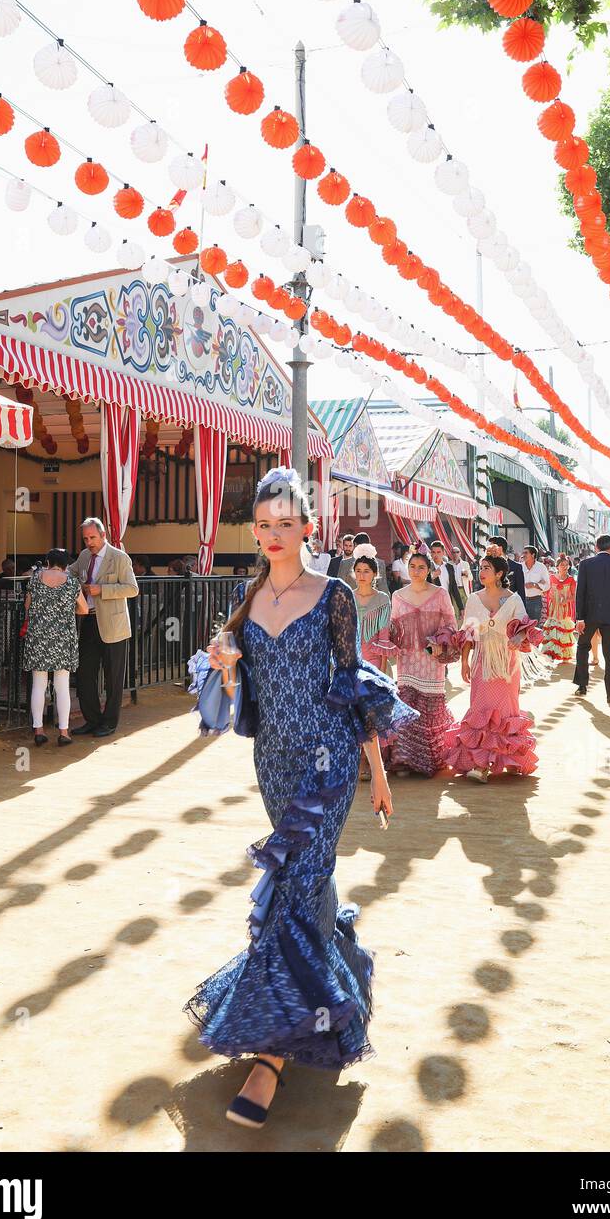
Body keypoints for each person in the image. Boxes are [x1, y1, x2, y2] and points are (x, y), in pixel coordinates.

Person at [185, 467, 415, 1127]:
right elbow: (235, 701)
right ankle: (342, 970)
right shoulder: (246, 596)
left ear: (309, 526)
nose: (275, 535)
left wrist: (377, 769)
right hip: (274, 764)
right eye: (264, 524)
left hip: (330, 761)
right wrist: (226, 669)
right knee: (306, 884)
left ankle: (272, 1055)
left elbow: (353, 685)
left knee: (296, 882)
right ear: (254, 530)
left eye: (288, 523)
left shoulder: (336, 595)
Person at [444, 554, 540, 781]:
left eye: (486, 568)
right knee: (481, 710)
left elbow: (524, 626)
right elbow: (468, 634)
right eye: (480, 568)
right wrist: (464, 662)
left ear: (499, 574)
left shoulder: (513, 599)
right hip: (482, 662)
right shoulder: (473, 599)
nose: (481, 572)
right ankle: (481, 765)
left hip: (507, 665)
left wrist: (518, 636)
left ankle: (509, 758)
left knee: (506, 711)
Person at [383, 550, 459, 777]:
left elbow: (451, 623)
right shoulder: (397, 596)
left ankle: (429, 761)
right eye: (412, 566)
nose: (416, 571)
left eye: (421, 567)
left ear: (429, 571)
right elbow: (393, 627)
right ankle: (404, 760)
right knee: (406, 705)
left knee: (429, 708)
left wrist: (440, 641)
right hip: (407, 660)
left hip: (432, 659)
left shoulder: (440, 594)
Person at [68, 517, 139, 737]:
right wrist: (47, 573)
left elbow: (132, 589)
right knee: (84, 674)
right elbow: (70, 572)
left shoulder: (119, 558)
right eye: (86, 538)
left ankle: (109, 723)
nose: (89, 542)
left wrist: (103, 590)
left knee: (113, 678)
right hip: (88, 620)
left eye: (92, 537)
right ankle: (92, 720)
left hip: (114, 625)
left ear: (103, 535)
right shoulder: (84, 556)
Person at [22, 548, 89, 746]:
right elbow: (84, 609)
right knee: (62, 687)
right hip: (62, 638)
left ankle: (39, 730)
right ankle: (64, 732)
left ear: (48, 562)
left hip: (38, 637)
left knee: (39, 685)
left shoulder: (35, 579)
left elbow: (28, 606)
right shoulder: (71, 583)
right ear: (66, 565)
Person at [573, 534, 610, 704]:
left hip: (589, 615)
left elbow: (580, 593)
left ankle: (582, 685)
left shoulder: (585, 564)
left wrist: (579, 618)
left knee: (583, 647)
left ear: (596, 547)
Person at [350, 545, 392, 670]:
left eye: (366, 571)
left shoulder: (382, 599)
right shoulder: (347, 597)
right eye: (358, 571)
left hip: (374, 662)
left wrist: (382, 673)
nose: (361, 575)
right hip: (350, 661)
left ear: (375, 573)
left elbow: (384, 637)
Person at [540, 555, 577, 663]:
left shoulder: (571, 580)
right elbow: (546, 591)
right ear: (557, 567)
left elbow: (574, 595)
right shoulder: (551, 577)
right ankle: (550, 654)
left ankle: (563, 654)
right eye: (562, 565)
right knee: (552, 629)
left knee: (563, 630)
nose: (565, 567)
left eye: (566, 565)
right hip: (553, 608)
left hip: (565, 609)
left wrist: (566, 600)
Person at [487, 536, 526, 608]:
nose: (489, 551)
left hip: (510, 608)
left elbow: (521, 592)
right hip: (490, 608)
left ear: (500, 549)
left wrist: (523, 614)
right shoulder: (487, 566)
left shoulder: (516, 567)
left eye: (492, 548)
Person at [429, 539, 465, 614]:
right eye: (433, 552)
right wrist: (432, 576)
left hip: (447, 604)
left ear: (443, 553)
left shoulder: (449, 567)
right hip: (432, 607)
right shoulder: (427, 567)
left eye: (438, 552)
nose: (436, 555)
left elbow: (454, 588)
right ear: (431, 553)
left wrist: (461, 607)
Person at [522, 545, 550, 623]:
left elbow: (547, 585)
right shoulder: (520, 566)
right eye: (523, 553)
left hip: (535, 601)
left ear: (533, 555)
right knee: (521, 627)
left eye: (526, 553)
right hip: (521, 600)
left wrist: (535, 585)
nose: (523, 555)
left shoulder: (541, 567)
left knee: (534, 627)